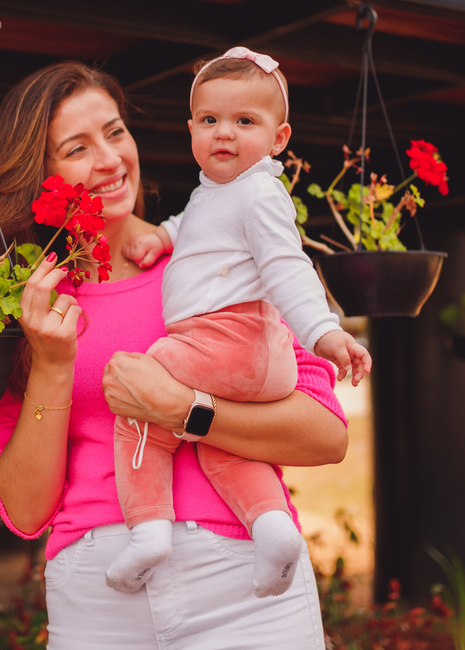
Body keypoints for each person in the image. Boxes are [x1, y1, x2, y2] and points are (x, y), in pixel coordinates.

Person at [0, 61, 359, 649]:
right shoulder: (19, 309)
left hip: (244, 582)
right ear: (39, 176)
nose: (110, 159)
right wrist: (51, 366)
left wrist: (185, 409)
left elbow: (324, 434)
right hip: (99, 593)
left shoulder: (217, 259)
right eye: (78, 148)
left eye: (116, 132)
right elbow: (25, 510)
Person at [109, 47, 371, 598]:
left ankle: (148, 529)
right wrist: (164, 235)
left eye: (244, 122)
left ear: (279, 139)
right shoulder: (219, 193)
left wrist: (324, 333)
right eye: (210, 121)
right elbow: (196, 225)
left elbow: (286, 267)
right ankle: (272, 529)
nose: (224, 134)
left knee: (137, 390)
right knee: (224, 442)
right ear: (190, 130)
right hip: (246, 360)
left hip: (226, 339)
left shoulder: (259, 193)